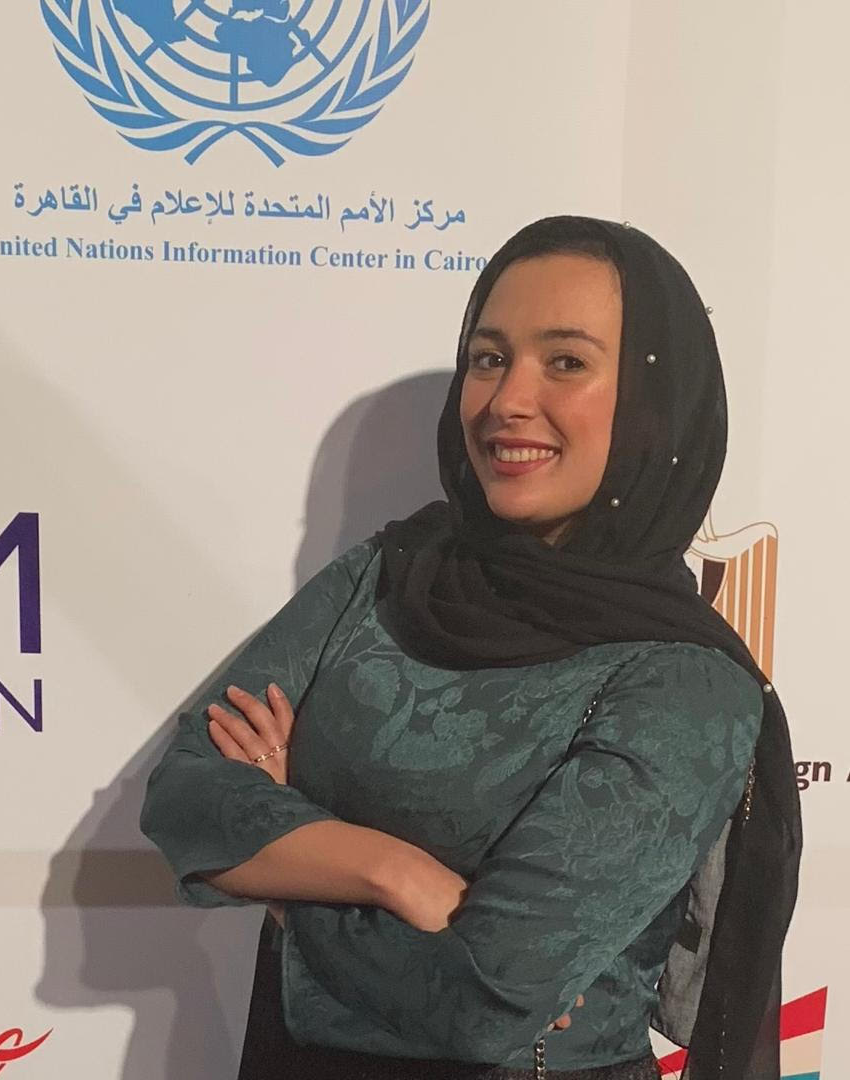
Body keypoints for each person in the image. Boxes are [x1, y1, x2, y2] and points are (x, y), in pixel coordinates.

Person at [140, 215, 801, 1080]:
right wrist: (390, 870)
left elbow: (484, 1001)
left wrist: (285, 882)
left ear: (655, 401)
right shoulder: (390, 572)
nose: (506, 400)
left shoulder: (686, 683)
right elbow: (185, 791)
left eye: (565, 362)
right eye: (488, 358)